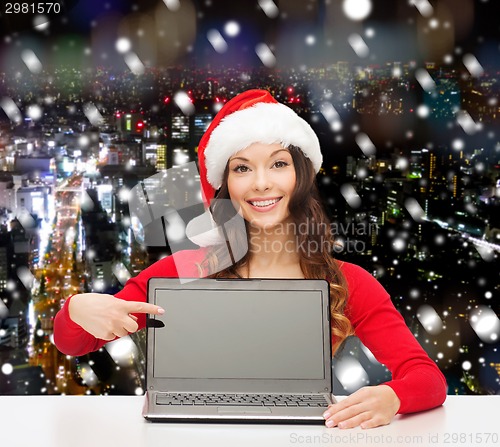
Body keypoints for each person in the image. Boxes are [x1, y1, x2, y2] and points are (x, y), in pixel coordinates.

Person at [54, 89, 447, 429]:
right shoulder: (183, 271)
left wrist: (392, 397)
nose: (261, 183)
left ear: (301, 177)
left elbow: (426, 378)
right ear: (225, 185)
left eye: (278, 163)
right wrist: (76, 310)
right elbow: (73, 342)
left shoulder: (348, 282)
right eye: (242, 168)